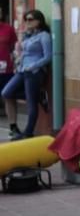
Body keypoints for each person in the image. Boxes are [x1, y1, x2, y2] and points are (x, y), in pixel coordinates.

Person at [2, 9, 52, 140]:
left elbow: (48, 57)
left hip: (34, 72)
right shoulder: (28, 36)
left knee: (31, 103)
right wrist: (18, 60)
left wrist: (33, 66)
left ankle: (28, 132)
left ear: (39, 21)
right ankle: (38, 97)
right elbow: (23, 53)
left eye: (30, 19)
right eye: (26, 20)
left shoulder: (44, 36)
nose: (27, 22)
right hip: (22, 70)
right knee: (6, 92)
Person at [0, 8, 15, 109]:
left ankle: (12, 123)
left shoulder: (8, 29)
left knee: (8, 95)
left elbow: (14, 46)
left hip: (6, 68)